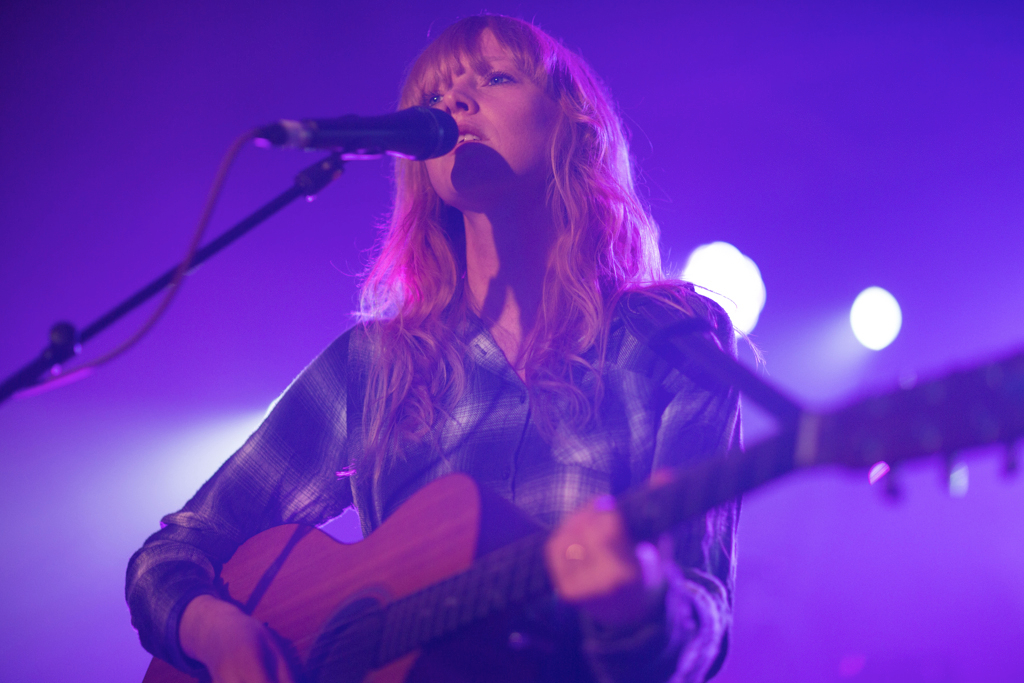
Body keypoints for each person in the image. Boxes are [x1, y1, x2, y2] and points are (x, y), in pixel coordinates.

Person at [126, 14, 740, 683]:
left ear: (577, 126)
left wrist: (637, 607)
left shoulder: (668, 338)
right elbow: (174, 553)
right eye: (435, 96)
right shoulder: (372, 365)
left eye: (496, 77)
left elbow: (699, 623)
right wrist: (220, 635)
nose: (454, 103)